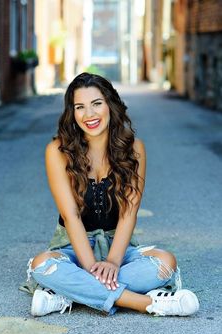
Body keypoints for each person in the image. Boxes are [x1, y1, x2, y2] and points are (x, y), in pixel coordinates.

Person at [26, 72, 199, 317]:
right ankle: (147, 303)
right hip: (72, 248)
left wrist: (113, 263)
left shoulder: (135, 150)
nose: (89, 115)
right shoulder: (57, 150)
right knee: (41, 264)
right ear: (72, 113)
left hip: (119, 247)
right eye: (80, 107)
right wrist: (90, 266)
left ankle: (69, 294)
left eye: (97, 104)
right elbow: (71, 216)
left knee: (165, 263)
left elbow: (129, 214)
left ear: (110, 105)